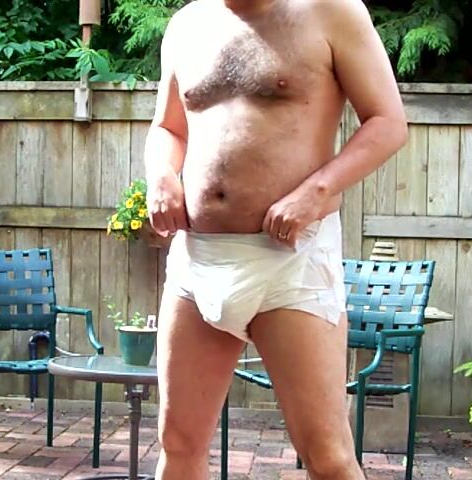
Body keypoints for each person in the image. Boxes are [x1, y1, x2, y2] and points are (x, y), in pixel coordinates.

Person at [143, 0, 408, 479]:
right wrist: (160, 174)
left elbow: (388, 122)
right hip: (197, 261)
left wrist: (317, 191)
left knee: (326, 455)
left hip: (291, 262)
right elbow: (168, 128)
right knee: (178, 442)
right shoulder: (186, 24)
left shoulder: (331, 11)